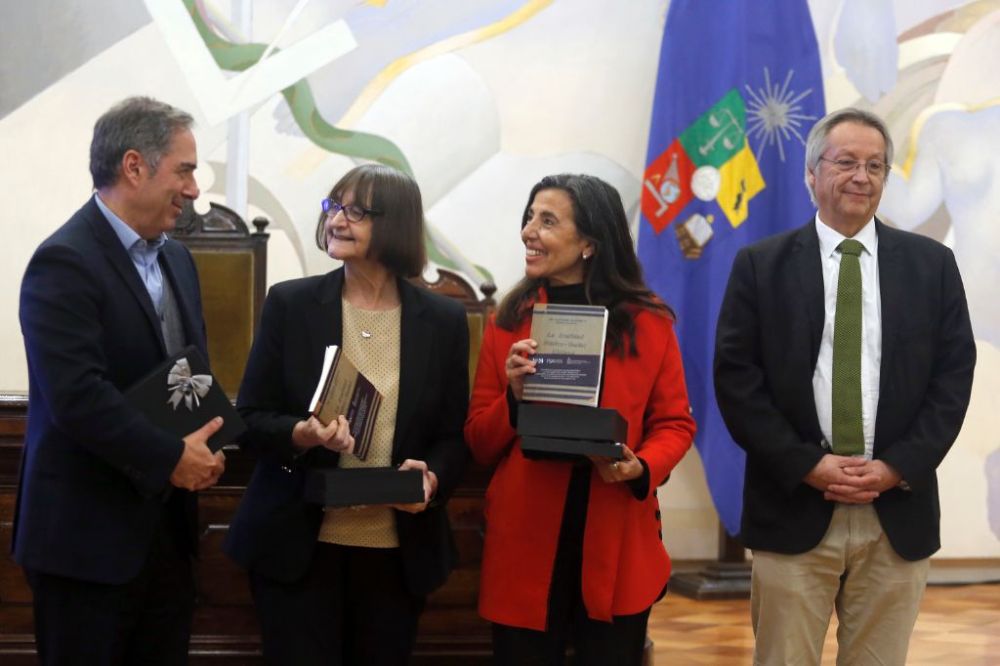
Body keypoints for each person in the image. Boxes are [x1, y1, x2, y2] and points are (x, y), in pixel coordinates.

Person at [713, 107, 976, 665]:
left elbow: (953, 379)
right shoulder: (761, 266)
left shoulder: (932, 265)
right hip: (794, 503)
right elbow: (738, 382)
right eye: (847, 162)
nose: (862, 176)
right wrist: (806, 464)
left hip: (896, 509)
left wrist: (898, 465)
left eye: (876, 165)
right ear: (812, 174)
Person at [224, 164, 470, 665]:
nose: (338, 219)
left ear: (397, 223)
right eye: (334, 206)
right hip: (298, 544)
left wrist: (432, 479)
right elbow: (248, 417)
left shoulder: (443, 321)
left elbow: (453, 435)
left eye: (356, 210)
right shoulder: (291, 305)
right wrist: (301, 433)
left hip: (396, 551)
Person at [15, 96, 226, 665]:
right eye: (184, 170)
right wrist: (170, 457)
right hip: (86, 545)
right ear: (135, 166)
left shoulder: (178, 260)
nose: (193, 189)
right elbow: (77, 398)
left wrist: (213, 438)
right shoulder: (63, 261)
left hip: (166, 538)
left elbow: (188, 375)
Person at [464, 173, 696, 665]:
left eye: (548, 221)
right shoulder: (508, 320)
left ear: (590, 241)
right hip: (525, 540)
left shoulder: (649, 322)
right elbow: (479, 442)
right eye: (529, 217)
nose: (529, 230)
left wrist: (642, 466)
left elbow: (675, 424)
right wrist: (514, 398)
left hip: (615, 531)